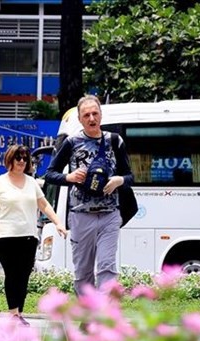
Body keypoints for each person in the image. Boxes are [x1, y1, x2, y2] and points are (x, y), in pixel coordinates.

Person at [45, 94, 134, 296]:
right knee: (83, 273)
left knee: (107, 267)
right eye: (86, 115)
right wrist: (70, 177)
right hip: (80, 215)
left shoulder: (115, 140)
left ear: (101, 115)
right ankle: (88, 315)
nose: (91, 118)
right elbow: (50, 174)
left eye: (95, 113)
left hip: (110, 214)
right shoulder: (71, 142)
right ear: (80, 119)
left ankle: (103, 318)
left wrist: (118, 181)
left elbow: (130, 176)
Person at [0, 145, 67, 326]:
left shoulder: (32, 182)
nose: (21, 161)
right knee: (12, 274)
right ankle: (13, 313)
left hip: (28, 236)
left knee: (23, 275)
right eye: (17, 157)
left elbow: (44, 205)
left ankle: (19, 312)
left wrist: (58, 223)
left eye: (24, 158)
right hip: (5, 237)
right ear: (10, 160)